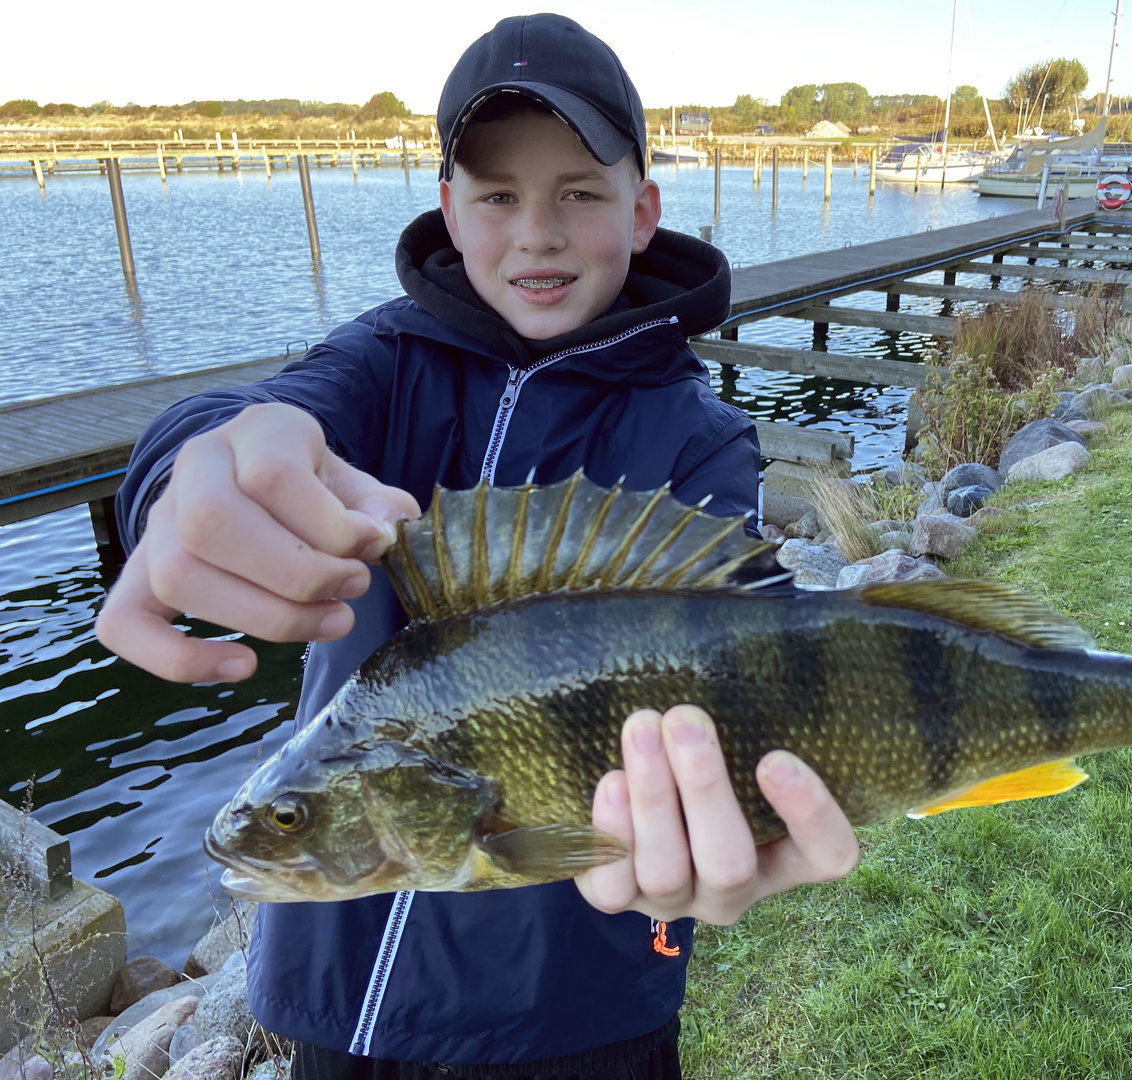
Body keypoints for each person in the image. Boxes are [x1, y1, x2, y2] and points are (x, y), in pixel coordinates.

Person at [95, 14, 858, 1080]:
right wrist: (188, 469)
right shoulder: (380, 363)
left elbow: (729, 653)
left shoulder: (700, 437)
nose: (536, 231)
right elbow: (267, 414)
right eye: (497, 195)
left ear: (642, 212)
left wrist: (741, 802)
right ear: (450, 213)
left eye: (579, 191)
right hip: (330, 998)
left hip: (576, 1007)